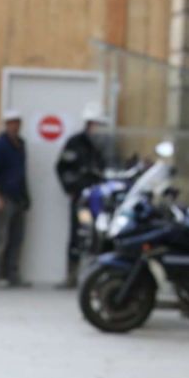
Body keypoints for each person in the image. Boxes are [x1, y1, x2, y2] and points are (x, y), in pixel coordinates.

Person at [56, 101, 108, 287]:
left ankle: (98, 276)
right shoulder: (75, 143)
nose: (97, 128)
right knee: (79, 234)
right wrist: (70, 188)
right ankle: (72, 275)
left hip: (102, 200)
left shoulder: (106, 145)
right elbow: (62, 167)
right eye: (95, 124)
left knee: (101, 235)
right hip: (82, 199)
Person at [0, 109, 30, 286]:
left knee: (16, 238)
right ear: (6, 124)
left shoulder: (21, 144)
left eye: (17, 122)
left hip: (18, 198)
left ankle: (12, 274)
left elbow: (22, 173)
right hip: (3, 197)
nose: (14, 126)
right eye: (11, 122)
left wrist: (26, 197)